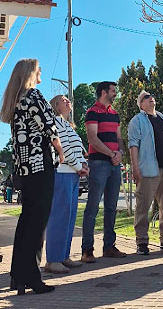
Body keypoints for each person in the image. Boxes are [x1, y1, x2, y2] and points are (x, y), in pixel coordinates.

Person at [1, 59, 64, 295]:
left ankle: (17, 276)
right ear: (30, 72)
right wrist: (61, 152)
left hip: (23, 169)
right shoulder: (34, 96)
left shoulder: (16, 100)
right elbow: (49, 127)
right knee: (37, 224)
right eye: (39, 68)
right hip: (40, 166)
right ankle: (31, 277)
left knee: (26, 222)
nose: (41, 71)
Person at [128, 91, 163, 255]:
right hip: (147, 169)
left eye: (152, 95)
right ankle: (142, 242)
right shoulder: (137, 121)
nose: (151, 98)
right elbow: (133, 145)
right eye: (146, 97)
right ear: (141, 104)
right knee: (142, 207)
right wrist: (135, 167)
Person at [81, 81, 127, 262]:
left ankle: (109, 246)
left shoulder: (115, 114)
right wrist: (111, 154)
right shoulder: (92, 112)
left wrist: (120, 153)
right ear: (103, 92)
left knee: (111, 207)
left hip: (115, 165)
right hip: (98, 164)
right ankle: (87, 250)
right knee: (92, 206)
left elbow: (119, 138)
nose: (116, 94)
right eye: (113, 91)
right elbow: (92, 139)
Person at [44, 94, 88, 274]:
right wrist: (79, 167)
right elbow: (63, 148)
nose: (68, 101)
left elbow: (78, 149)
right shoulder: (55, 121)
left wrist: (83, 165)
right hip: (62, 173)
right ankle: (53, 259)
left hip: (73, 174)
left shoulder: (68, 125)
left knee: (69, 218)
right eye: (63, 99)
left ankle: (64, 255)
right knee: (59, 217)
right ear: (55, 105)